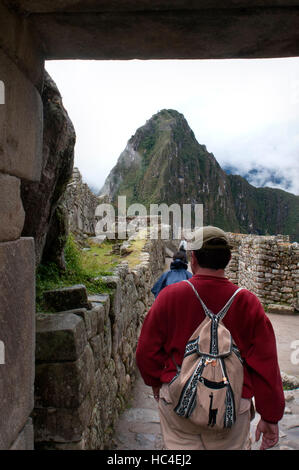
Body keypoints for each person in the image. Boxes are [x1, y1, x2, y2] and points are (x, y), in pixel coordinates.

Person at [136, 226, 285, 450]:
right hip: (232, 409)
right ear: (228, 259)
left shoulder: (170, 297)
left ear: (193, 258)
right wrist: (270, 416)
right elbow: (266, 364)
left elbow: (146, 352)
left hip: (178, 406)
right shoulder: (248, 303)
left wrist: (156, 382)